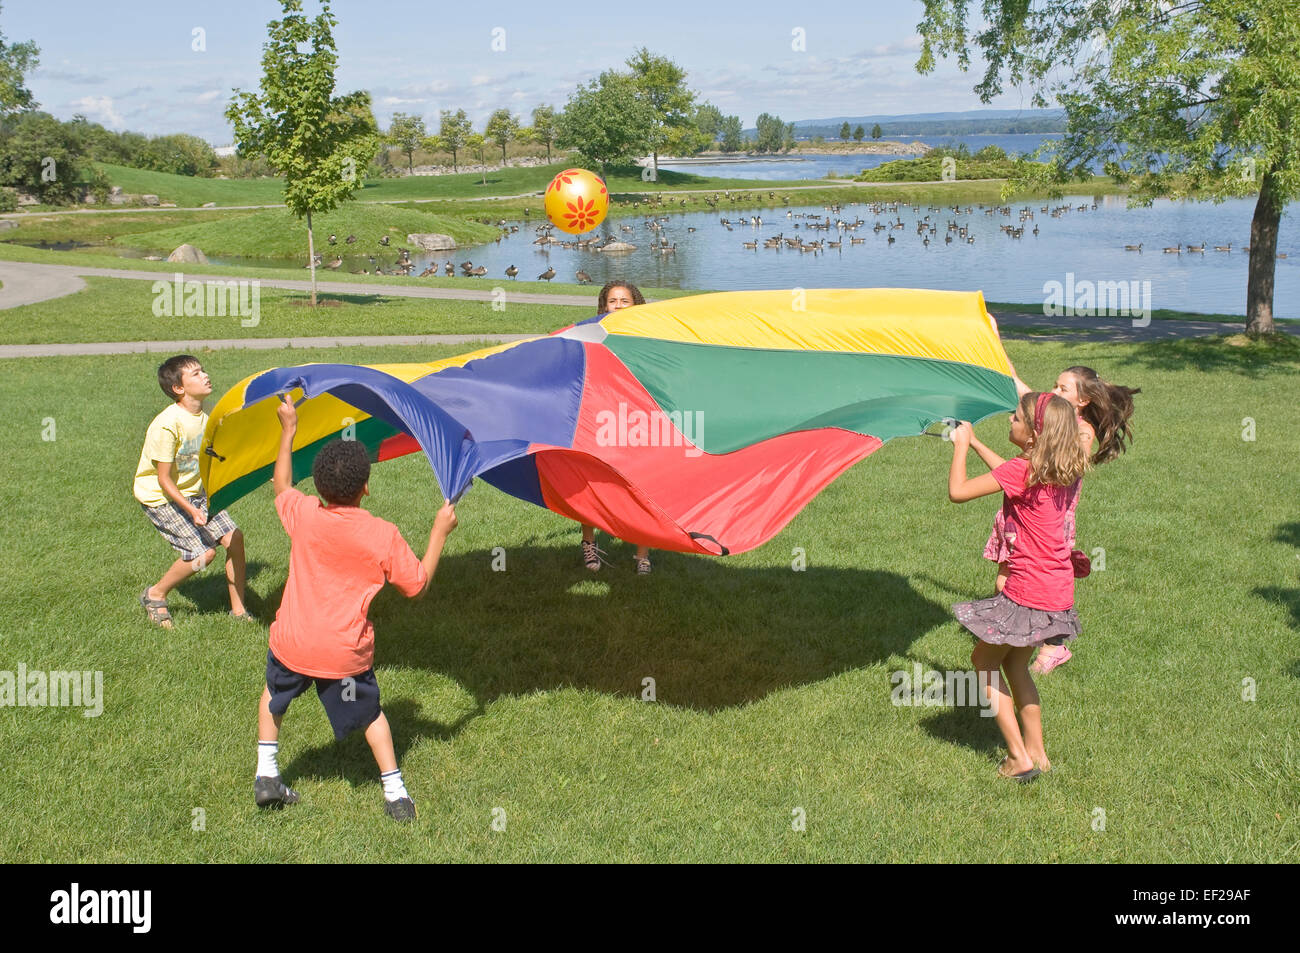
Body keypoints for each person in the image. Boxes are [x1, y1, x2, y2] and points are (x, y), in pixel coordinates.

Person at [254, 396, 458, 821]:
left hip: (292, 641)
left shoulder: (304, 514)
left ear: (319, 486)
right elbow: (416, 586)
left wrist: (288, 429)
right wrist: (439, 532)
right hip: (342, 652)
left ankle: (267, 773)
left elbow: (281, 486)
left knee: (275, 695)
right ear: (366, 486)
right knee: (370, 714)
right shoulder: (380, 534)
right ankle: (395, 793)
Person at [947, 392, 1089, 781]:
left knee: (983, 662)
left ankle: (1017, 757)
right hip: (1056, 589)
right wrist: (976, 442)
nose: (1010, 418)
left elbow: (958, 492)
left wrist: (959, 447)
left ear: (1033, 435)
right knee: (1015, 664)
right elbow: (1013, 479)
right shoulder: (1060, 467)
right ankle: (1038, 753)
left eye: (1016, 417)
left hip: (1026, 589)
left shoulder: (1023, 470)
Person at [986, 362, 1139, 672]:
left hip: (1051, 516)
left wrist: (1040, 447)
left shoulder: (1081, 429)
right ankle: (1009, 631)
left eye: (1062, 388)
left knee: (1038, 573)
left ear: (1082, 400)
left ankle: (1052, 644)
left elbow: (1071, 466)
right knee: (1009, 568)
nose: (1053, 391)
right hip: (1025, 507)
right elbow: (1021, 387)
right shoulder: (1050, 413)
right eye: (1054, 386)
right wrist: (994, 338)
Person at [135, 355, 249, 627]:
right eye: (195, 374)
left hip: (195, 492)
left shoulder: (209, 412)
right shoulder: (167, 424)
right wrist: (192, 510)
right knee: (202, 555)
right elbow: (164, 479)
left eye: (203, 370)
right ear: (179, 389)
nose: (205, 376)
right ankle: (155, 594)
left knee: (234, 538)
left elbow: (222, 453)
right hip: (161, 497)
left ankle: (239, 611)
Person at [581, 281, 654, 574]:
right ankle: (589, 543)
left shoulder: (651, 338)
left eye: (625, 301)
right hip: (600, 416)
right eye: (613, 301)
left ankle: (642, 553)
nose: (619, 306)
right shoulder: (591, 335)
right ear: (603, 306)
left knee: (641, 483)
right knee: (591, 481)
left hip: (637, 417)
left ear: (636, 305)